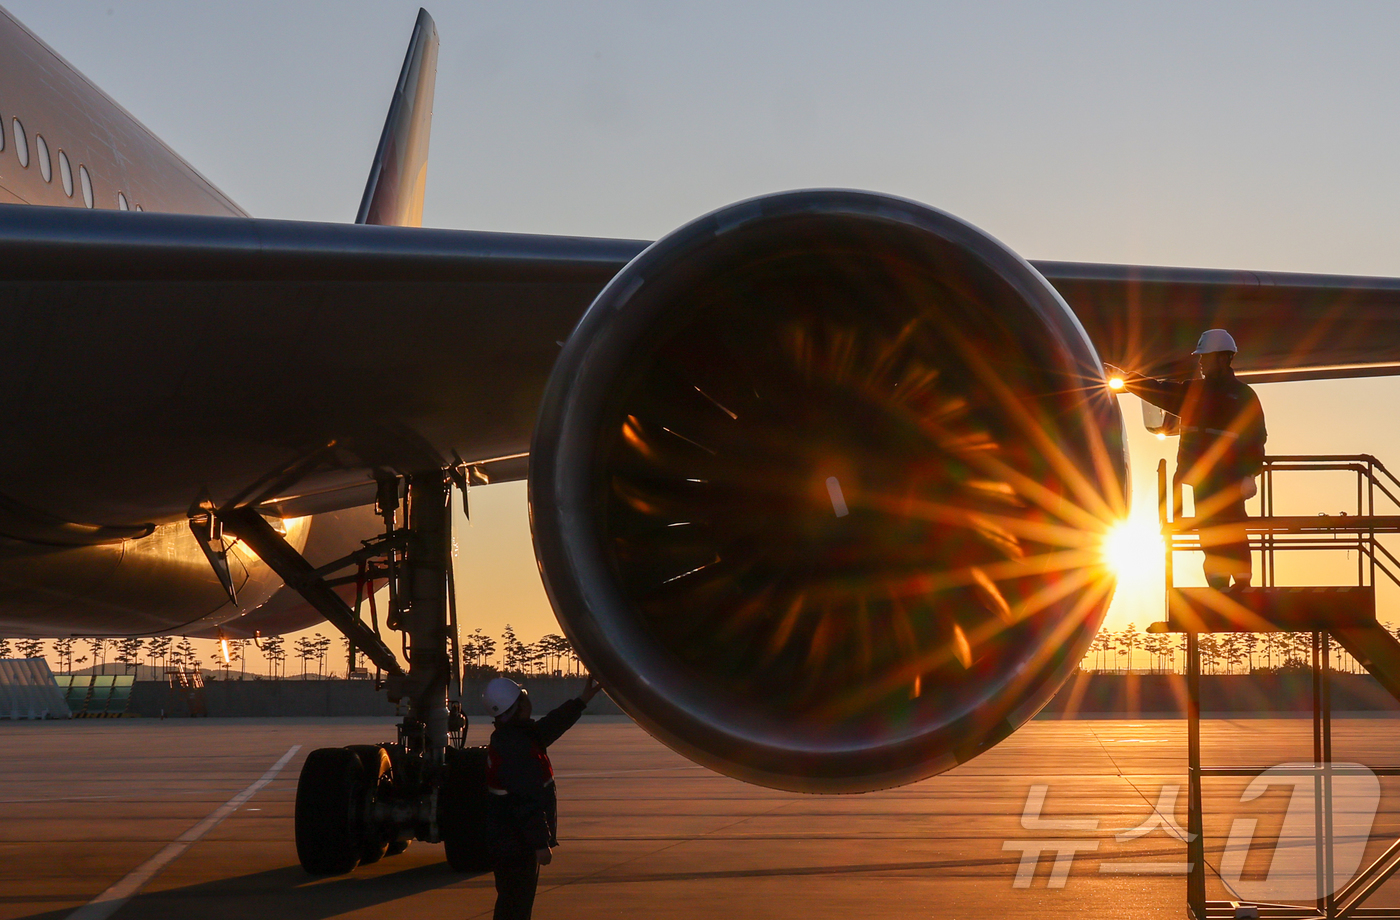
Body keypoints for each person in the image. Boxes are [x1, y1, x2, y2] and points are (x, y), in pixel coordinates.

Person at [1114, 329, 1267, 590]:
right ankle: (1218, 581)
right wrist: (1129, 380)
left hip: (1227, 480)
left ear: (1222, 358)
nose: (1200, 363)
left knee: (1231, 528)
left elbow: (1256, 439)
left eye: (1204, 357)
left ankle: (1241, 581)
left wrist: (1249, 474)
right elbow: (1160, 392)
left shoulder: (1242, 397)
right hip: (1202, 479)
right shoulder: (1197, 393)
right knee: (1209, 531)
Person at [483, 673, 603, 920]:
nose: (528, 700)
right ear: (517, 708)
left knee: (513, 902)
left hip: (511, 841)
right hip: (517, 844)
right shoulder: (516, 747)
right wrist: (540, 844)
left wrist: (582, 700)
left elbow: (551, 725)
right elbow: (526, 800)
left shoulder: (515, 736)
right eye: (523, 696)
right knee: (515, 906)